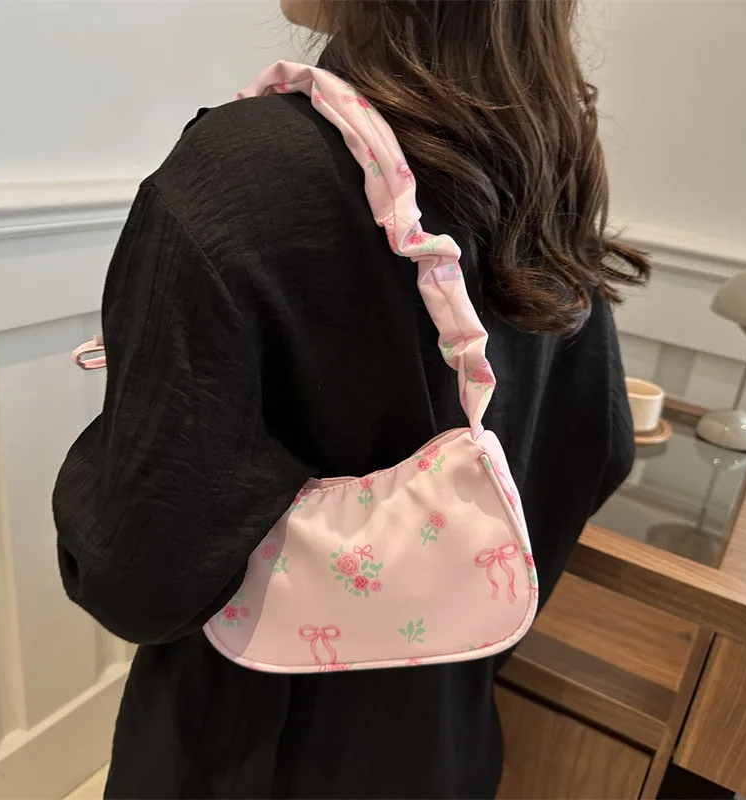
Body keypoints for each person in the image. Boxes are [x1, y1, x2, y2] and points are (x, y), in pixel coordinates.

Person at [53, 1, 648, 797]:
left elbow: (136, 576)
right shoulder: (546, 157)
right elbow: (602, 447)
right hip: (446, 740)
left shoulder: (244, 171)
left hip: (250, 755)